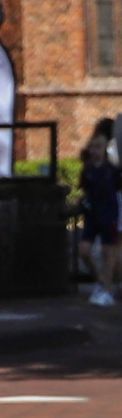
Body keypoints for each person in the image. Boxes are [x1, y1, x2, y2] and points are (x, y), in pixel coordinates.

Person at [81, 120, 119, 307]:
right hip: (92, 215)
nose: (95, 150)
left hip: (108, 214)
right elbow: (85, 190)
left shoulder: (112, 171)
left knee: (108, 251)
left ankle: (107, 289)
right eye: (92, 147)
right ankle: (100, 282)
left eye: (99, 147)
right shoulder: (87, 171)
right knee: (84, 251)